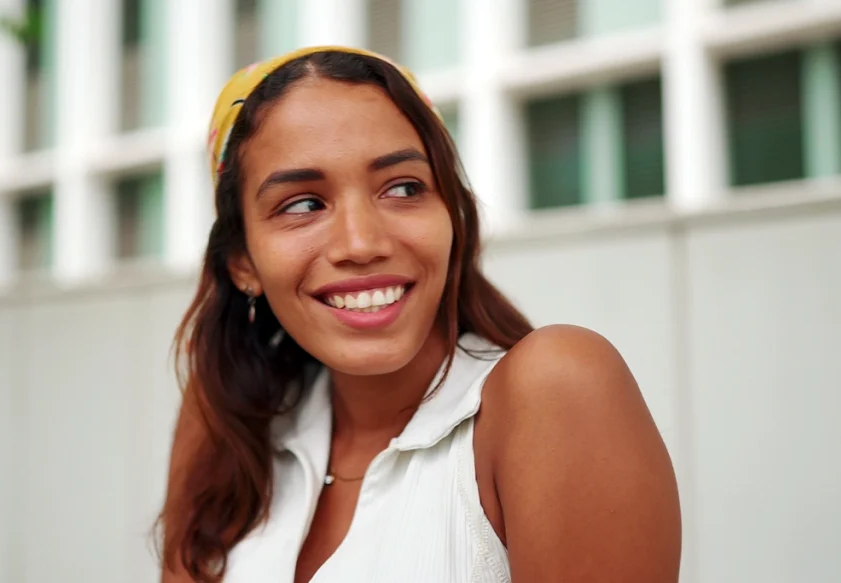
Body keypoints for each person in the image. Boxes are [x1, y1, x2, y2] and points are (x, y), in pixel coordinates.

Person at [157, 46, 681, 583]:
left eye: (404, 188)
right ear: (243, 261)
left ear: (453, 216)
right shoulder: (229, 420)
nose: (361, 243)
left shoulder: (555, 390)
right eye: (303, 204)